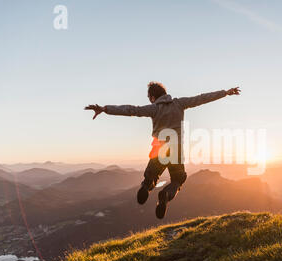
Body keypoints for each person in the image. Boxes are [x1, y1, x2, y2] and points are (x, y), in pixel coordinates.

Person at [85, 82, 240, 219]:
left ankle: (146, 186)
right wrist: (225, 92)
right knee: (178, 179)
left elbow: (131, 110)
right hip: (176, 150)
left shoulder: (154, 108)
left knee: (151, 175)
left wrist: (105, 109)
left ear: (152, 97)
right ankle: (165, 195)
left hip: (159, 148)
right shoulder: (179, 103)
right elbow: (202, 98)